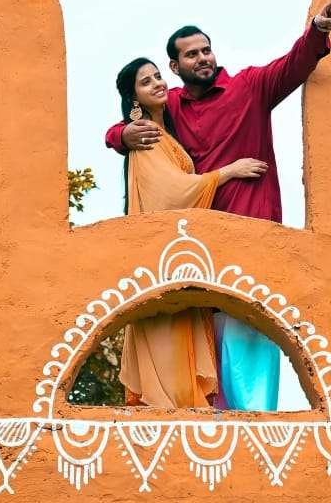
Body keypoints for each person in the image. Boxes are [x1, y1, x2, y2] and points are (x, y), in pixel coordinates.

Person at [105, 0, 331, 411]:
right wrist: (120, 135)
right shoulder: (172, 105)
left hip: (251, 235)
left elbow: (293, 65)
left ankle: (256, 439)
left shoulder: (249, 87)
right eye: (191, 54)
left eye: (206, 50)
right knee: (201, 358)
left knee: (250, 348)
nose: (202, 58)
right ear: (175, 66)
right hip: (197, 252)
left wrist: (318, 31)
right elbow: (131, 123)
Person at [114, 56, 268, 408]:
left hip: (183, 256)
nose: (157, 83)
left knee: (184, 329)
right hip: (165, 257)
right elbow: (170, 194)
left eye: (157, 76)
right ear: (134, 98)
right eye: (146, 81)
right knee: (167, 338)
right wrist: (228, 172)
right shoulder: (145, 138)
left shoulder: (165, 133)